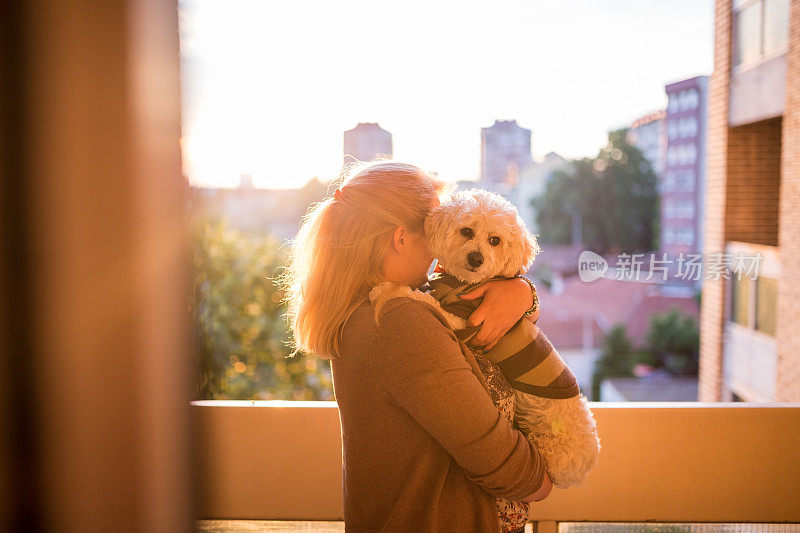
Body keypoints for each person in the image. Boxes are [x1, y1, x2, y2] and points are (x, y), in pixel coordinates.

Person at [285, 161, 552, 532]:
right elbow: (495, 457)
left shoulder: (371, 308)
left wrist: (522, 292)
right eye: (433, 227)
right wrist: (540, 478)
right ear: (401, 238)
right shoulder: (399, 323)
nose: (441, 245)